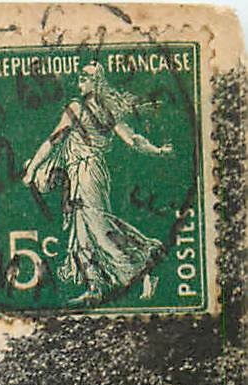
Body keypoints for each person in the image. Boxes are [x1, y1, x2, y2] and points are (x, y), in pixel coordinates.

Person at [21, 61, 173, 305]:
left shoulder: (82, 109)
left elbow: (131, 139)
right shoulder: (95, 109)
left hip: (87, 172)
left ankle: (142, 270)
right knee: (82, 231)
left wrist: (32, 168)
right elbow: (131, 139)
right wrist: (157, 150)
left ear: (97, 82)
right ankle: (95, 287)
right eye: (80, 75)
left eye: (87, 76)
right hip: (84, 172)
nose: (81, 79)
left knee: (99, 228)